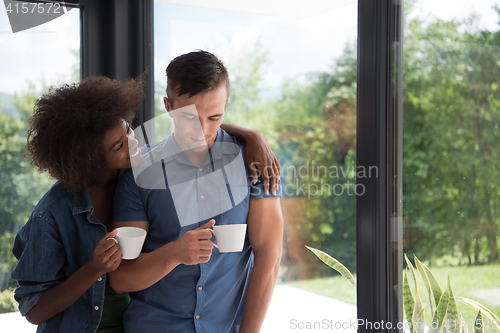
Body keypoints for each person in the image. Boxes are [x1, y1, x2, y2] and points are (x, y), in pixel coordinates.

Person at [11, 75, 280, 333]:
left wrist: (251, 136)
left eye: (128, 129)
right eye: (119, 145)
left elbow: (198, 128)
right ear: (89, 159)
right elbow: (33, 310)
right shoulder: (52, 214)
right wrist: (94, 269)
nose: (134, 142)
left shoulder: (134, 173)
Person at [109, 50, 284, 333]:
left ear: (226, 105)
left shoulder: (253, 163)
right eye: (189, 118)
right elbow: (121, 278)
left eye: (214, 117)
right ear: (168, 105)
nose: (202, 131)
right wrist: (174, 254)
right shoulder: (139, 173)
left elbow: (269, 254)